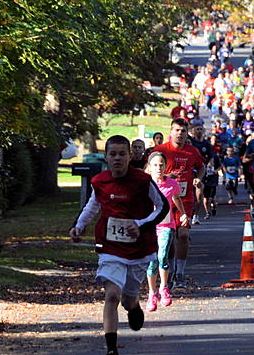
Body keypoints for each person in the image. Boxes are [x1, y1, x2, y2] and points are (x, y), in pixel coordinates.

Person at [69, 136, 169, 355]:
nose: (117, 158)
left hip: (139, 248)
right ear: (106, 157)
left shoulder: (142, 180)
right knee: (112, 294)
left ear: (130, 156)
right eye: (112, 154)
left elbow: (162, 207)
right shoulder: (99, 181)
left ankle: (133, 306)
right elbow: (92, 206)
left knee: (127, 298)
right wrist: (79, 226)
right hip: (110, 246)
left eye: (122, 154)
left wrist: (140, 225)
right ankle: (112, 349)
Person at [151, 118, 205, 285]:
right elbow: (149, 170)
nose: (180, 134)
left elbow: (201, 167)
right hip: (165, 200)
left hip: (185, 199)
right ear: (170, 132)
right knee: (169, 236)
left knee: (183, 234)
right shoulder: (161, 150)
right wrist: (164, 178)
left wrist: (198, 178)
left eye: (183, 131)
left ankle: (180, 273)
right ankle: (171, 270)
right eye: (176, 130)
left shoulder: (192, 151)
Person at [144, 151, 188, 312]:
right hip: (149, 226)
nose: (158, 168)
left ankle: (164, 287)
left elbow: (177, 199)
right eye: (155, 165)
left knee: (162, 255)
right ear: (149, 167)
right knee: (151, 261)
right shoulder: (145, 184)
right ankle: (152, 293)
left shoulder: (171, 183)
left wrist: (183, 214)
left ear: (165, 166)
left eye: (161, 165)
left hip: (166, 225)